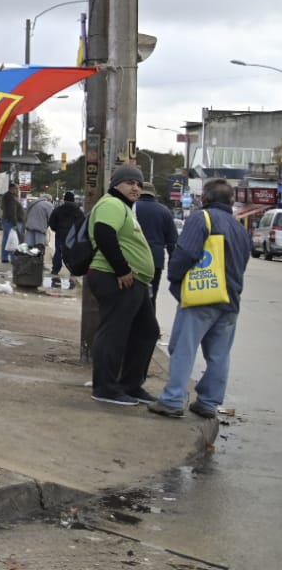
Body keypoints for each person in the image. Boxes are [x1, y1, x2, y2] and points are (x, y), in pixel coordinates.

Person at [148, 179, 250, 420]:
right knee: (219, 355)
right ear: (231, 201)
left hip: (202, 297)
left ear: (204, 199)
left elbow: (186, 253)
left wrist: (174, 278)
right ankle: (208, 403)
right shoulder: (240, 229)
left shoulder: (201, 218)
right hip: (230, 300)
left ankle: (173, 399)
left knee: (183, 348)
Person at [85, 165, 158, 407]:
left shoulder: (125, 208)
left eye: (138, 183)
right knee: (114, 332)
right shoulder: (112, 204)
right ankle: (105, 388)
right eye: (129, 182)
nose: (135, 187)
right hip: (114, 277)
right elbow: (104, 233)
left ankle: (130, 384)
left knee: (147, 331)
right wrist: (123, 269)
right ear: (116, 185)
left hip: (132, 281)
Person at [134, 183, 179, 301]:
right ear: (154, 195)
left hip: (133, 258)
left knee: (130, 299)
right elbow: (172, 242)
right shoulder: (164, 211)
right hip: (155, 260)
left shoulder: (131, 208)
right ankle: (149, 317)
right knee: (150, 298)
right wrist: (172, 266)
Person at [47, 191, 85, 288]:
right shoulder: (78, 211)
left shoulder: (58, 209)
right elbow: (82, 223)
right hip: (72, 236)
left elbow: (51, 222)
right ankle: (72, 271)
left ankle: (55, 270)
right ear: (73, 199)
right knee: (72, 254)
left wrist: (56, 229)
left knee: (58, 252)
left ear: (64, 199)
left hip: (60, 234)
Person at [24, 192, 55, 263]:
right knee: (39, 247)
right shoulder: (48, 205)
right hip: (40, 228)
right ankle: (38, 264)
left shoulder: (33, 202)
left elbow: (26, 213)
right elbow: (51, 218)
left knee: (29, 247)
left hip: (29, 227)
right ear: (49, 199)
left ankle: (28, 263)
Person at [0, 188, 22, 263]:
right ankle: (13, 258)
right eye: (17, 189)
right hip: (11, 221)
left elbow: (3, 208)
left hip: (7, 220)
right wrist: (15, 223)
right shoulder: (12, 199)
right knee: (13, 240)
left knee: (7, 240)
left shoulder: (6, 197)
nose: (18, 190)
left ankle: (4, 257)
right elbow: (13, 212)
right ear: (13, 189)